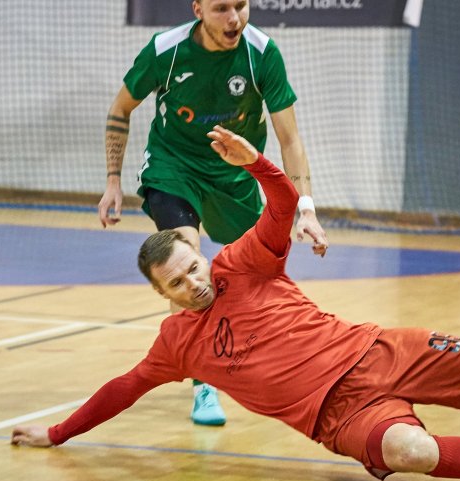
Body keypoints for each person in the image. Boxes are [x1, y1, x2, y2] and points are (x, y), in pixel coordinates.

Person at [15, 126, 460, 481]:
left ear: (199, 255)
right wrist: (59, 433)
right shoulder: (177, 346)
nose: (193, 283)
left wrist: (255, 161)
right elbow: (123, 388)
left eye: (191, 267)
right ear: (162, 295)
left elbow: (281, 204)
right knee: (412, 452)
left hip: (381, 352)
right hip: (337, 416)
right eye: (176, 284)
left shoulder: (240, 264)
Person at [98, 0, 329, 426]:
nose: (235, 18)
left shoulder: (262, 54)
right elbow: (121, 108)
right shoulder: (165, 50)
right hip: (174, 166)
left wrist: (306, 209)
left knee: (259, 276)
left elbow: (290, 139)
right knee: (183, 255)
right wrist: (113, 180)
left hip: (235, 177)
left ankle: (293, 361)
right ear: (198, 9)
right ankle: (204, 383)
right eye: (222, 8)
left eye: (241, 5)